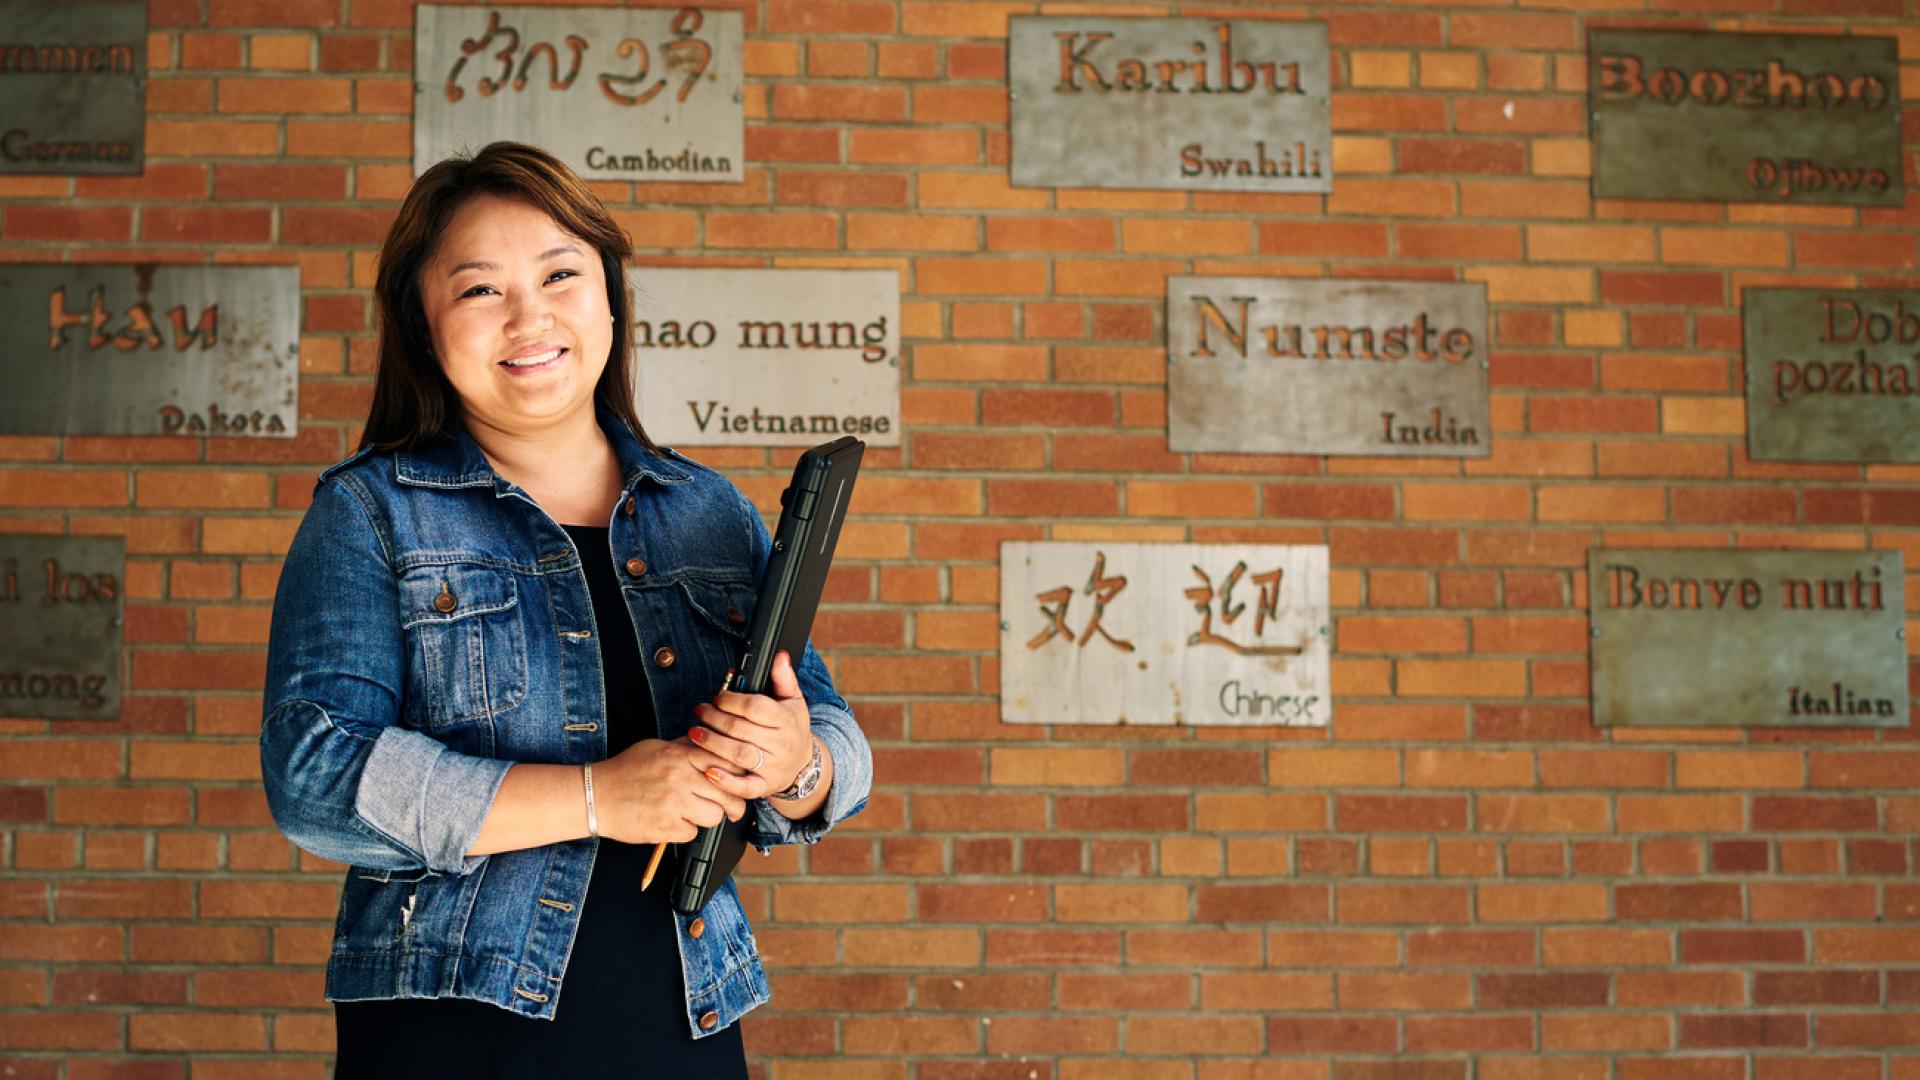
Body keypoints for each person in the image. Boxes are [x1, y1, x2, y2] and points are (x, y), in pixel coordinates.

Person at [258, 141, 871, 1078]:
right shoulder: (371, 513)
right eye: (478, 290)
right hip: (457, 1035)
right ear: (423, 327)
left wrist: (797, 764)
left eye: (560, 275)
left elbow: (828, 737)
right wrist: (597, 796)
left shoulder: (709, 513)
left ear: (610, 300)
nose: (529, 316)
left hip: (682, 1016)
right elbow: (314, 772)